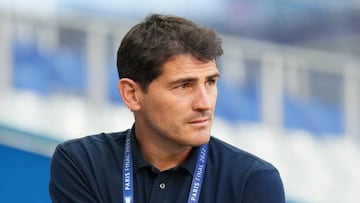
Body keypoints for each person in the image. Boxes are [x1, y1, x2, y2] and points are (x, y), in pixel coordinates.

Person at [49, 13, 285, 203]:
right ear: (132, 94)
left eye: (210, 82)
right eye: (184, 86)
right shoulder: (81, 163)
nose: (204, 103)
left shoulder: (253, 180)